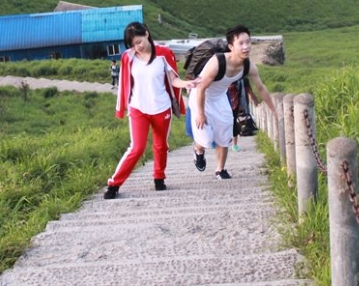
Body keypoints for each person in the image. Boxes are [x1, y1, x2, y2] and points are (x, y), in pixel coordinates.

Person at [104, 22, 193, 199]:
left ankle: (159, 177)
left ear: (146, 34)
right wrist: (122, 106)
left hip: (161, 108)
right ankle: (114, 184)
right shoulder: (128, 57)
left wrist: (187, 84)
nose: (138, 46)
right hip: (138, 108)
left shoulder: (163, 54)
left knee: (161, 146)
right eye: (133, 44)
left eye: (139, 41)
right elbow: (124, 83)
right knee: (136, 148)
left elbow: (173, 79)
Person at [189, 25, 275, 179]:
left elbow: (261, 88)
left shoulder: (249, 66)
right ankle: (198, 149)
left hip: (220, 97)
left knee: (225, 132)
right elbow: (201, 88)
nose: (246, 47)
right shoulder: (218, 62)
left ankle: (220, 169)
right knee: (206, 139)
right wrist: (201, 113)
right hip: (200, 96)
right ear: (231, 46)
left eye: (248, 42)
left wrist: (274, 111)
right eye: (241, 43)